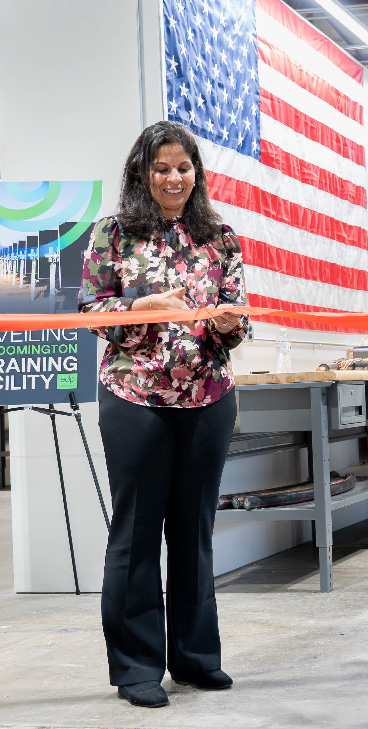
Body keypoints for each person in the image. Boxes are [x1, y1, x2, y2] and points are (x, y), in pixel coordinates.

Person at [79, 120, 249, 708]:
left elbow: (238, 316)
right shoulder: (113, 233)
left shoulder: (220, 236)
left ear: (195, 173)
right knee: (135, 532)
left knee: (193, 532)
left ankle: (197, 660)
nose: (173, 178)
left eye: (183, 167)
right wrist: (138, 307)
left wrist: (229, 325)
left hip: (207, 398)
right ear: (141, 172)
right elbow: (91, 311)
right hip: (135, 397)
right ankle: (136, 668)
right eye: (161, 168)